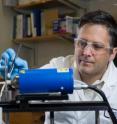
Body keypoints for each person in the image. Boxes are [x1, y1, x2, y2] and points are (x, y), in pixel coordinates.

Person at [0, 10, 117, 124]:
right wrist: (17, 81)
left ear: (112, 53)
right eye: (82, 43)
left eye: (97, 46)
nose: (86, 52)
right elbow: (21, 96)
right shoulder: (58, 67)